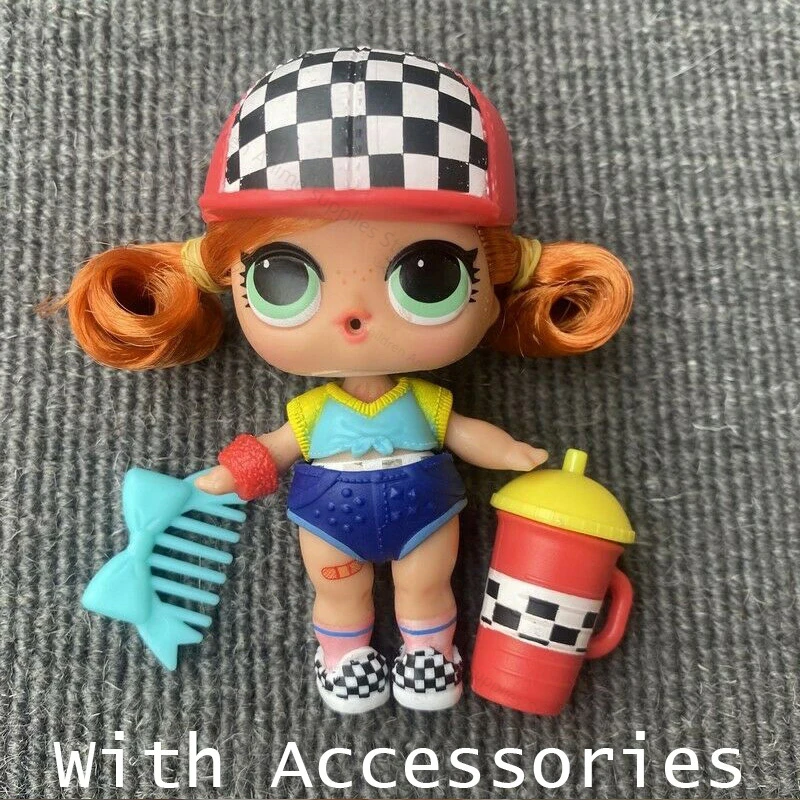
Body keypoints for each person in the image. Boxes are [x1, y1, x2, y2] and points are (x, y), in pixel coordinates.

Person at [57, 47, 633, 713]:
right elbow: (275, 449)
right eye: (283, 278)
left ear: (498, 280)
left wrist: (514, 455)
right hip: (330, 520)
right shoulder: (315, 414)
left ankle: (429, 654)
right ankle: (344, 657)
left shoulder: (425, 403)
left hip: (424, 513)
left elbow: (466, 434)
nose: (354, 317)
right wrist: (224, 476)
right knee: (339, 591)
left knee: (426, 587)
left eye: (428, 277)